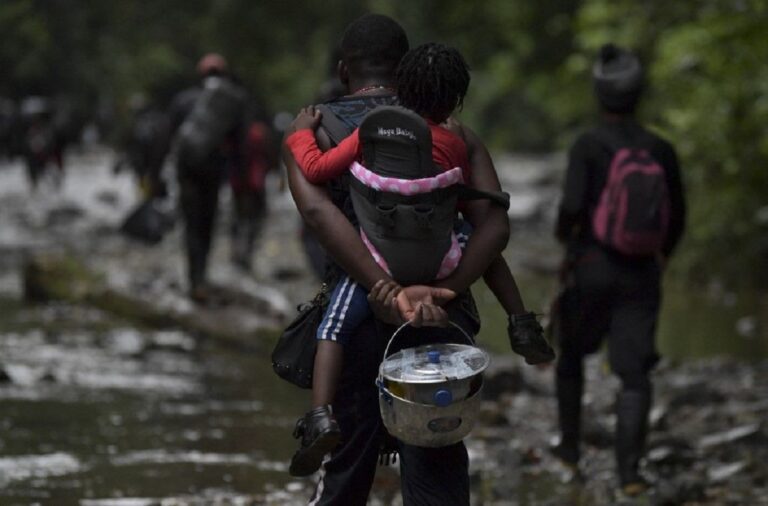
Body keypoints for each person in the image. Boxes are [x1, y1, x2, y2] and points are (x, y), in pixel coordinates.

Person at [284, 42, 554, 477]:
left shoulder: (372, 131)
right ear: (457, 99)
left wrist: (299, 134)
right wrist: (450, 287)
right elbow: (495, 225)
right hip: (444, 268)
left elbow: (317, 174)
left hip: (373, 264)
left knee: (332, 329)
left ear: (399, 88)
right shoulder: (458, 141)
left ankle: (320, 414)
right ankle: (520, 319)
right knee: (477, 235)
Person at [551, 44, 686, 496]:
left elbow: (571, 206)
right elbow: (678, 215)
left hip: (591, 267)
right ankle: (629, 474)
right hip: (641, 274)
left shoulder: (588, 146)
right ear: (638, 94)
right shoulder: (661, 149)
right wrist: (660, 254)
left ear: (599, 94)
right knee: (635, 374)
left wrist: (565, 237)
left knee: (571, 356)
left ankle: (569, 451)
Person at [167, 53, 247, 302]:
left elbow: (167, 137)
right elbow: (240, 144)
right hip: (214, 170)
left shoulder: (183, 100)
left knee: (190, 224)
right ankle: (202, 277)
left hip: (187, 171)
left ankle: (194, 279)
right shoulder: (231, 101)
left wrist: (156, 174)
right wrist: (240, 178)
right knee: (207, 222)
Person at [229, 104, 277, 271]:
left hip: (237, 182)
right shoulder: (260, 132)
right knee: (255, 217)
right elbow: (271, 155)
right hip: (255, 181)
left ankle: (236, 250)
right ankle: (246, 253)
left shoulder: (236, 132)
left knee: (238, 215)